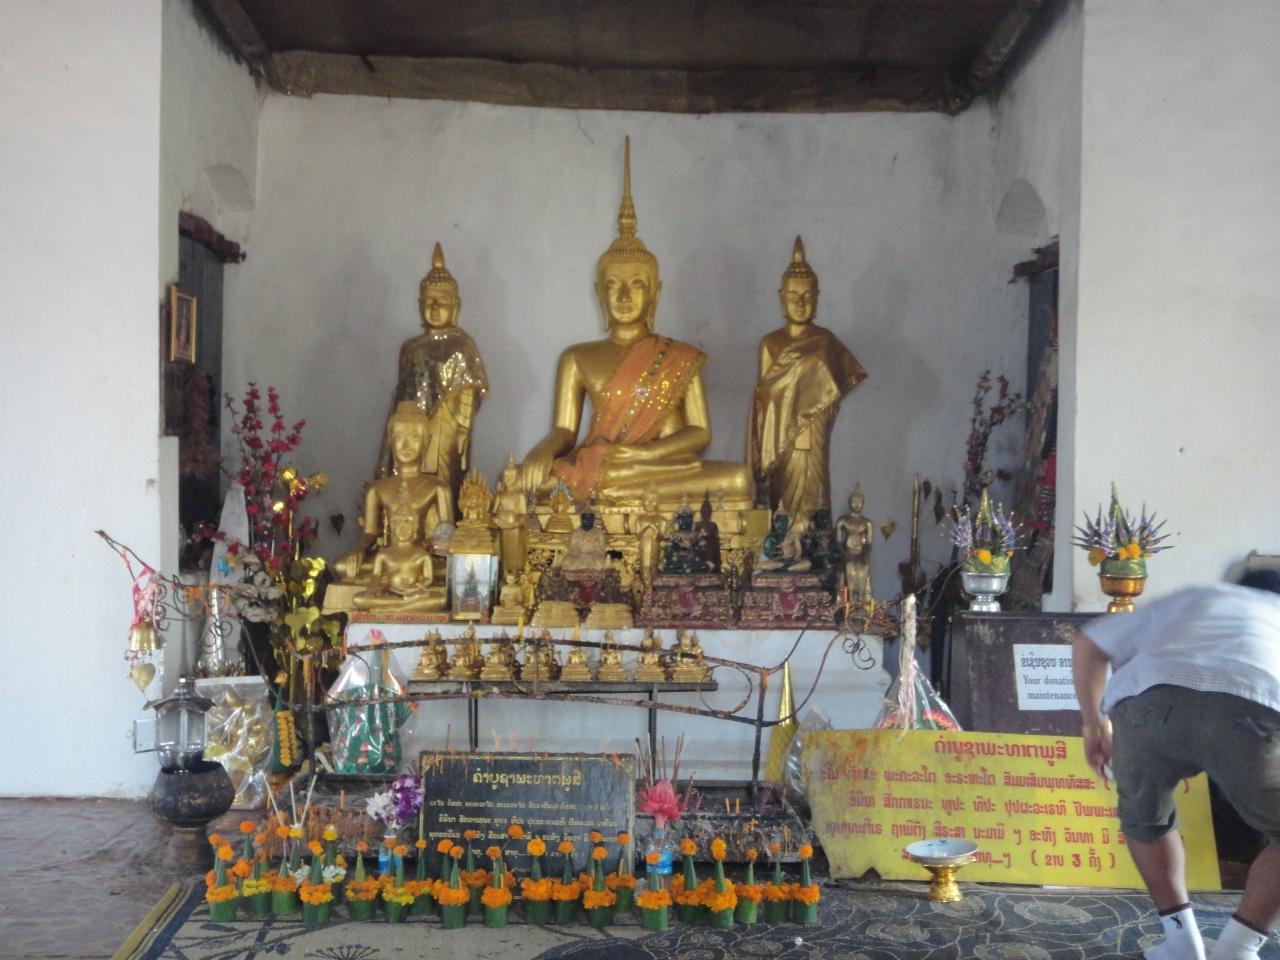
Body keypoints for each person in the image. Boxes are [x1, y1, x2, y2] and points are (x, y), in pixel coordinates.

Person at [520, 138, 751, 506]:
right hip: (605, 465)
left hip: (660, 468)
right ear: (599, 294)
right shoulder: (577, 357)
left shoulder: (680, 356)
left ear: (655, 294)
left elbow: (700, 432)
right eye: (613, 286)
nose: (625, 296)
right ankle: (604, 483)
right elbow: (564, 430)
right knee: (521, 482)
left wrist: (645, 454)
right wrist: (542, 451)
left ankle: (610, 484)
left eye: (637, 284)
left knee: (738, 478)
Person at [1072, 570, 1280, 960]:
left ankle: (1181, 944)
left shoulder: (1199, 594)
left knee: (1146, 822)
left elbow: (1087, 642)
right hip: (1250, 705)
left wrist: (1094, 725)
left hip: (1148, 700)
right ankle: (1236, 950)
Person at [748, 236, 866, 524]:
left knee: (814, 505)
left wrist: (814, 410)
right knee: (780, 510)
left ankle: (815, 542)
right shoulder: (770, 344)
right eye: (793, 296)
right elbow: (763, 402)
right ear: (781, 298)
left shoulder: (826, 343)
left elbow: (832, 393)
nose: (800, 303)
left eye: (807, 296)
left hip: (814, 436)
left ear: (817, 297)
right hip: (779, 443)